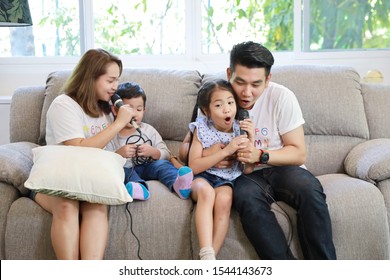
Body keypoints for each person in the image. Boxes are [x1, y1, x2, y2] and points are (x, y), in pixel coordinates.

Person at [227, 41, 336, 259]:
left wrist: (260, 155)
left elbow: (298, 153)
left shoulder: (282, 97)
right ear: (229, 74)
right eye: (240, 82)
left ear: (268, 80)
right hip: (244, 176)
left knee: (309, 189)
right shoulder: (215, 97)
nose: (246, 92)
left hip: (282, 166)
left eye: (256, 84)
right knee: (246, 199)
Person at [32, 48, 135, 260]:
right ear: (91, 78)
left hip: (90, 180)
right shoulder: (64, 105)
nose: (116, 87)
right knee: (66, 205)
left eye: (117, 80)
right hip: (58, 181)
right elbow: (78, 149)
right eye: (110, 80)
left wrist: (123, 123)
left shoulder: (107, 109)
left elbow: (106, 154)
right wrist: (118, 124)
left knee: (96, 206)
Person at [187, 79, 254, 260]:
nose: (227, 110)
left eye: (231, 103)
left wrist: (251, 139)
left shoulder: (240, 129)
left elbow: (247, 169)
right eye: (219, 105)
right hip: (202, 176)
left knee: (224, 200)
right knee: (207, 193)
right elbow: (193, 166)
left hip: (227, 179)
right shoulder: (200, 128)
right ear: (206, 111)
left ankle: (209, 259)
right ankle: (206, 251)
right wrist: (226, 151)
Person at [106, 81, 193, 200]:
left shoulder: (148, 130)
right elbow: (105, 161)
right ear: (116, 111)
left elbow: (166, 153)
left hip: (148, 167)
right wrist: (119, 154)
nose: (134, 114)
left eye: (139, 109)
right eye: (129, 109)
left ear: (144, 111)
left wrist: (154, 152)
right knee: (124, 172)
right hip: (126, 170)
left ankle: (179, 184)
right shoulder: (111, 133)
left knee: (162, 165)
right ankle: (139, 188)